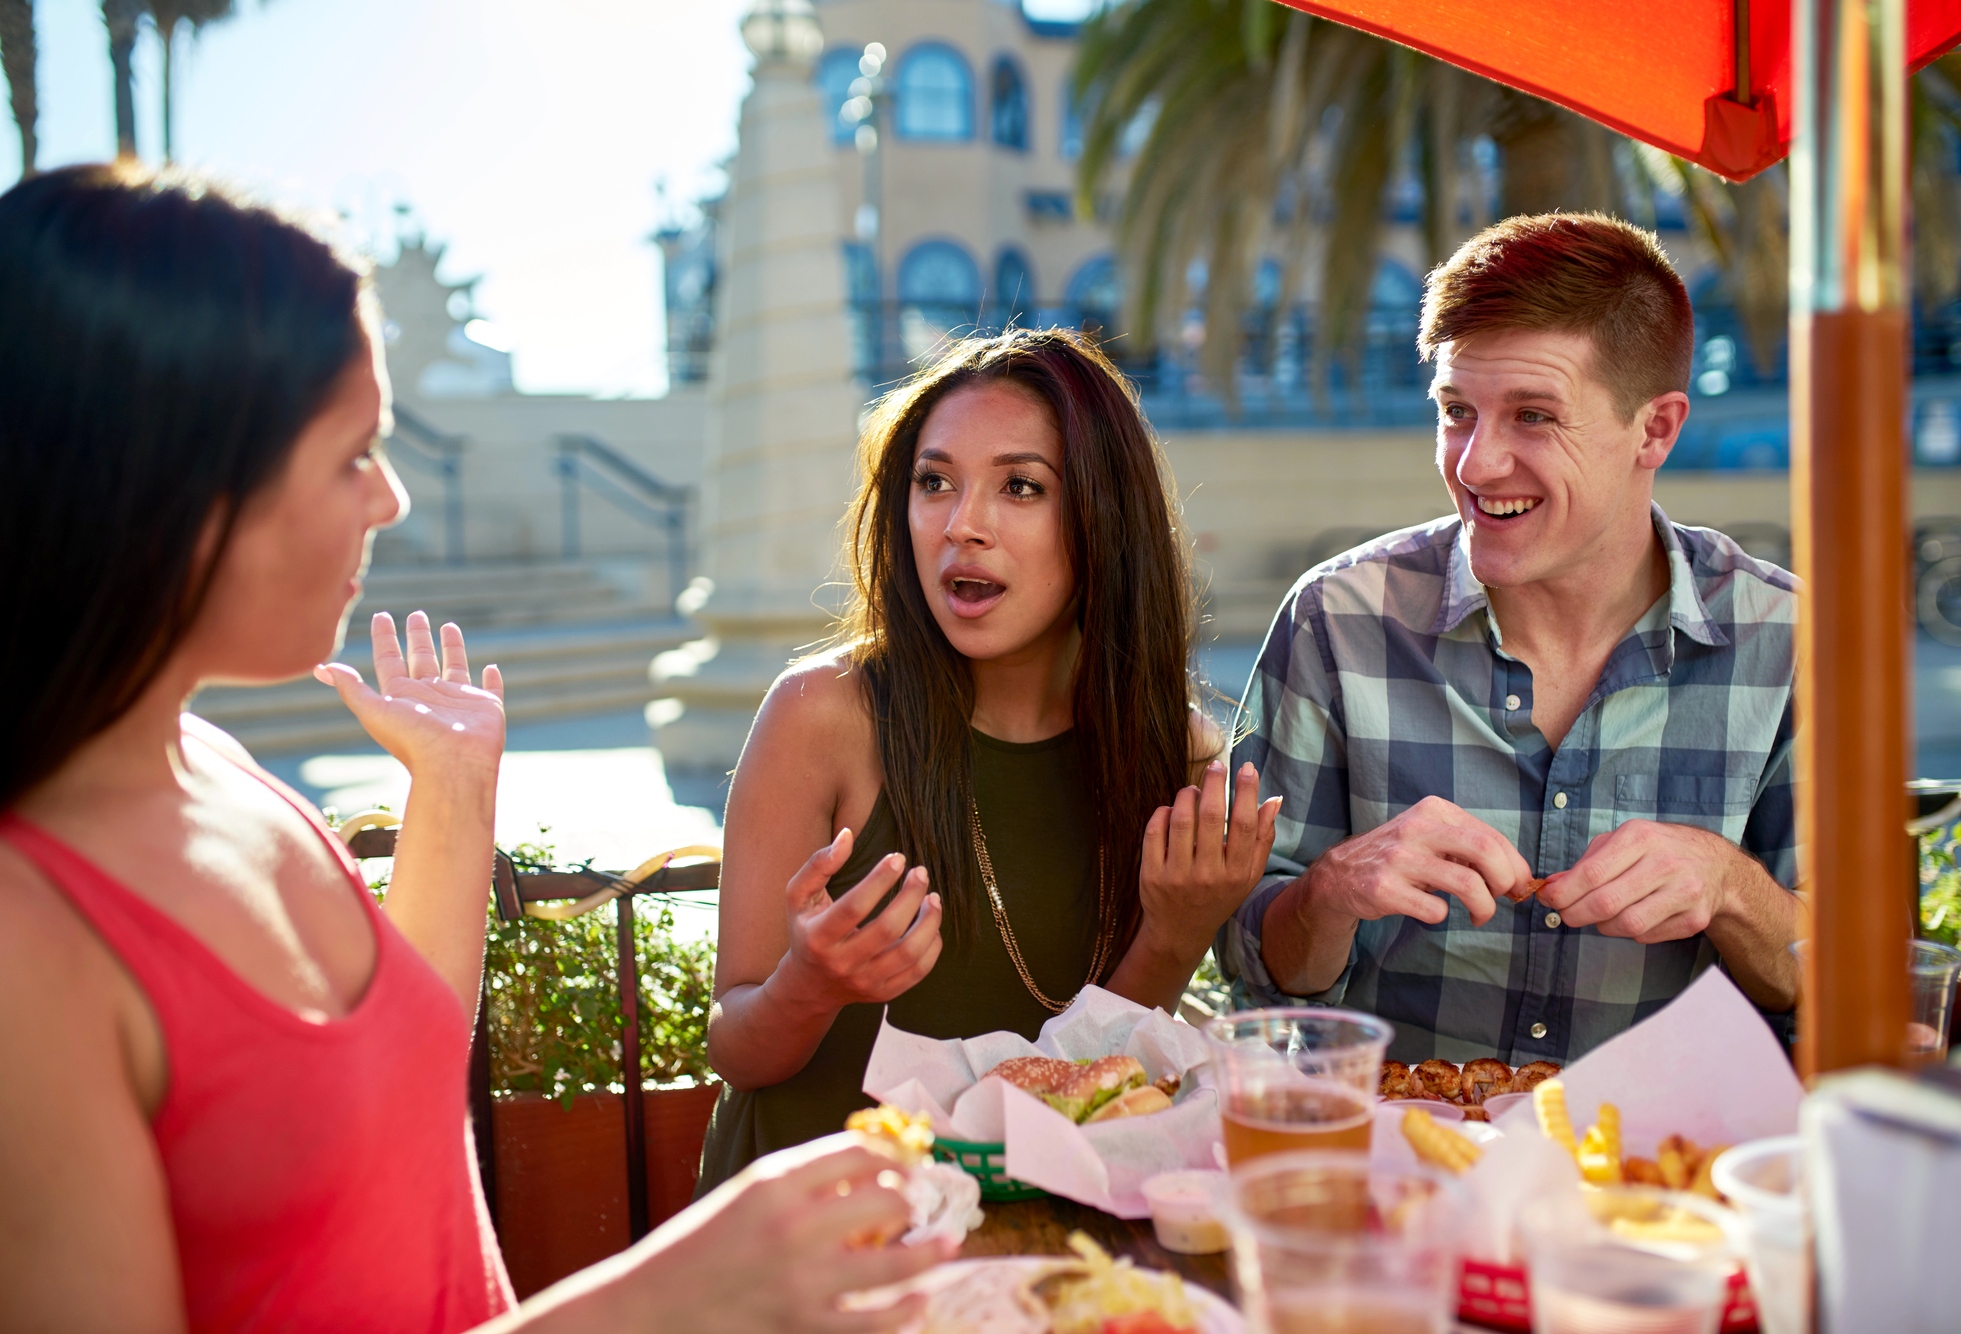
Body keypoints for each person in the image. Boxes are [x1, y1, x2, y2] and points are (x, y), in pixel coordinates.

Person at [0, 163, 944, 1333]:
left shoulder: (215, 766)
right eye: (352, 452)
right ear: (170, 485)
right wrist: (668, 1299)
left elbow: (391, 1073)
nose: (388, 498)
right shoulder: (26, 947)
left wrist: (452, 791)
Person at [699, 328, 1281, 1188]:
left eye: (1020, 487)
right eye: (935, 482)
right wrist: (810, 983)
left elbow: (1101, 1080)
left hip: (1042, 1221)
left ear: (1101, 517)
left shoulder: (1181, 752)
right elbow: (738, 1051)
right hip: (821, 1231)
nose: (963, 525)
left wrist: (1177, 932)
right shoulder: (820, 713)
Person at [1216, 213, 1801, 1064]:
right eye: (1457, 411)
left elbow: (1864, 974)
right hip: (1405, 1169)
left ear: (1656, 429)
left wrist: (1731, 887)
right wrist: (1332, 891)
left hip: (1667, 1176)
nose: (1476, 463)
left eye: (1532, 416)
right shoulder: (1337, 621)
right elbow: (1250, 959)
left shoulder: (1788, 641)